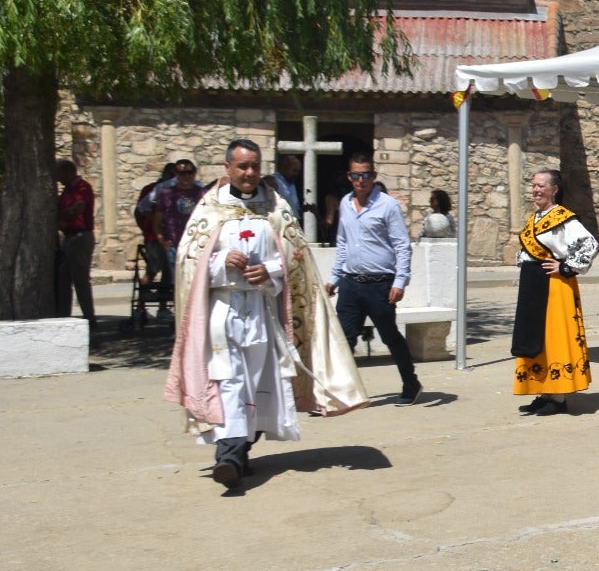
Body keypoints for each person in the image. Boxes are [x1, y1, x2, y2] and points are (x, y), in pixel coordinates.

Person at [165, 139, 366, 488]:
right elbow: (189, 260)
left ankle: (240, 453)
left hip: (262, 312)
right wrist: (219, 262)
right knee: (229, 382)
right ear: (227, 168)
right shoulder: (209, 209)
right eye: (242, 166)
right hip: (221, 314)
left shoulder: (276, 207)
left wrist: (270, 273)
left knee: (256, 384)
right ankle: (227, 457)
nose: (249, 173)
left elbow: (295, 259)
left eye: (255, 166)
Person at [326, 152, 422, 405]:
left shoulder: (387, 205)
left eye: (366, 174)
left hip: (380, 283)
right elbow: (343, 243)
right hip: (350, 282)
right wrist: (334, 278)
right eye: (356, 175)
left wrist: (400, 281)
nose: (361, 180)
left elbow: (402, 245)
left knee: (390, 336)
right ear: (349, 177)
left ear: (374, 176)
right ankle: (340, 393)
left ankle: (410, 383)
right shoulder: (346, 203)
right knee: (343, 339)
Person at [511, 169, 598, 416]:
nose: (536, 190)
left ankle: (558, 397)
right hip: (534, 285)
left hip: (555, 285)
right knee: (537, 338)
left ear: (554, 189)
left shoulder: (564, 218)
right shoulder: (535, 218)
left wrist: (567, 266)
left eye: (541, 185)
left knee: (554, 337)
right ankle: (544, 392)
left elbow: (589, 243)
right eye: (534, 185)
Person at [54, 158, 96, 322]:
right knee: (63, 278)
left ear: (68, 172)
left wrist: (61, 216)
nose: (57, 178)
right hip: (69, 237)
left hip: (81, 236)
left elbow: (78, 209)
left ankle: (89, 317)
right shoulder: (66, 190)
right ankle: (63, 316)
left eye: (59, 174)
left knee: (80, 278)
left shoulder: (82, 187)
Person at [154, 159, 207, 279]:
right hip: (174, 245)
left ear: (194, 173)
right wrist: (162, 241)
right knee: (177, 283)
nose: (186, 176)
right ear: (176, 175)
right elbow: (157, 220)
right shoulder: (167, 194)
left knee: (196, 280)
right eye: (182, 173)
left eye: (189, 172)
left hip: (195, 245)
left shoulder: (202, 193)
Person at [134, 162, 176, 286]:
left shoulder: (176, 191)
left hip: (170, 238)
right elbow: (139, 211)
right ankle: (143, 294)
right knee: (153, 269)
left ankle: (164, 302)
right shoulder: (152, 189)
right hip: (155, 237)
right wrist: (148, 228)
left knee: (169, 271)